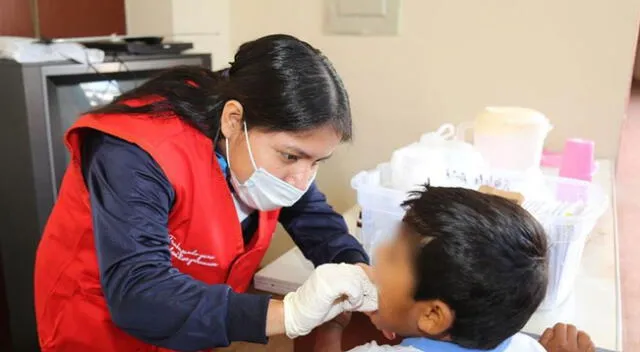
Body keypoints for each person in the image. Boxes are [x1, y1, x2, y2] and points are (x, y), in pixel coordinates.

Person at [33, 34, 374, 351]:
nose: (301, 179)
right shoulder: (135, 152)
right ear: (232, 119)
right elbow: (138, 293)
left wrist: (359, 275)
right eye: (291, 156)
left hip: (189, 327)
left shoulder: (267, 150)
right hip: (99, 328)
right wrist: (290, 313)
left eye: (317, 162)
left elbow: (315, 221)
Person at [316, 185, 553, 351]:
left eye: (394, 256)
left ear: (432, 316)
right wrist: (400, 313)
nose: (379, 253)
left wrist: (331, 327)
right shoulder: (529, 346)